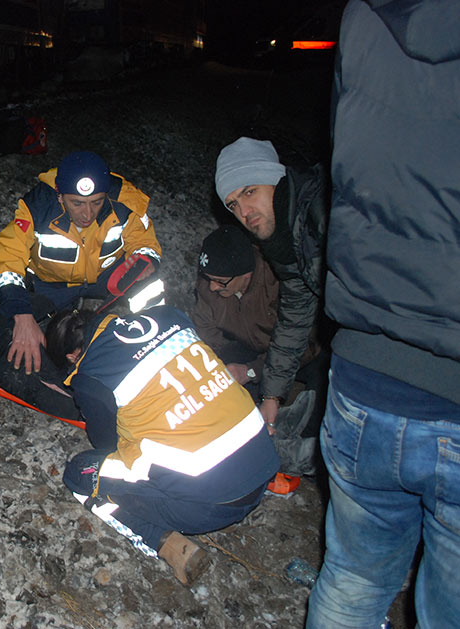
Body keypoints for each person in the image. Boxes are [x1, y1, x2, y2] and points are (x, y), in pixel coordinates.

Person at [306, 1, 460, 627]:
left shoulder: (365, 17)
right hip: (440, 387)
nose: (242, 211)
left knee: (352, 581)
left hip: (364, 378)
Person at [45, 296, 280, 586]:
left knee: (80, 473)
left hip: (210, 504)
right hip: (263, 462)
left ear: (72, 356)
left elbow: (107, 444)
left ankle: (165, 543)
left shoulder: (90, 375)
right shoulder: (169, 316)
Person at [0, 151, 162, 415]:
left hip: (106, 276)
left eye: (96, 202)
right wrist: (22, 315)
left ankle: (155, 337)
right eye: (77, 203)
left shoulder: (125, 202)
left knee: (149, 286)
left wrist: (143, 263)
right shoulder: (37, 208)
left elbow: (147, 244)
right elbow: (7, 260)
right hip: (53, 283)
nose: (87, 213)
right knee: (29, 326)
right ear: (60, 196)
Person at [214, 137, 329, 434]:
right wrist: (271, 396)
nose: (244, 212)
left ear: (276, 181)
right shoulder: (286, 248)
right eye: (233, 204)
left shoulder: (324, 210)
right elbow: (294, 321)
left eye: (250, 192)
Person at [192, 226, 326, 477]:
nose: (211, 287)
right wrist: (218, 370)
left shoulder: (279, 279)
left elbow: (302, 342)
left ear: (246, 274)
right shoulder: (209, 286)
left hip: (305, 352)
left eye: (220, 282)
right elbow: (206, 338)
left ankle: (307, 455)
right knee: (219, 382)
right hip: (250, 346)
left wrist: (252, 371)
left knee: (324, 389)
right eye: (207, 277)